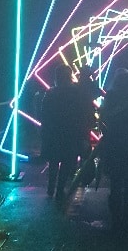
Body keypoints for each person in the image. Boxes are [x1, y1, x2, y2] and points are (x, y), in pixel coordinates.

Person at [99, 68, 128, 230]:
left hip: (115, 143)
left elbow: (104, 118)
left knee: (116, 181)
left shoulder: (111, 96)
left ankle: (116, 215)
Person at [40, 64, 87, 199]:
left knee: (54, 161)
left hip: (54, 132)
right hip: (70, 133)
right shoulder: (75, 93)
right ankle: (60, 189)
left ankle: (51, 188)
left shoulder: (51, 93)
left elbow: (44, 113)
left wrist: (44, 130)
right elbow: (80, 113)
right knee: (67, 161)